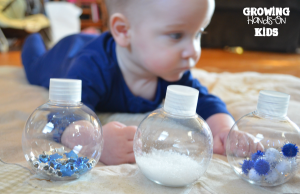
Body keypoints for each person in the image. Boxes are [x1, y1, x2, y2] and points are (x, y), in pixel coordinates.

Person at [21, 0, 235, 165]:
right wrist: (96, 142)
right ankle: (33, 39)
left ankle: (92, 35)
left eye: (198, 33)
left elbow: (205, 101)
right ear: (123, 30)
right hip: (65, 54)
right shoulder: (91, 67)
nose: (194, 51)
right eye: (176, 35)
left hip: (104, 43)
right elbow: (63, 116)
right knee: (33, 67)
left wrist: (225, 130)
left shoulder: (171, 70)